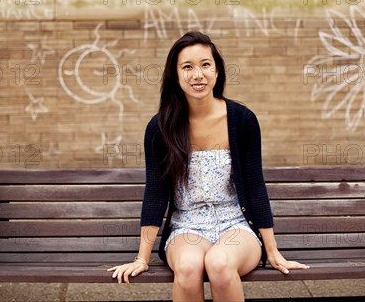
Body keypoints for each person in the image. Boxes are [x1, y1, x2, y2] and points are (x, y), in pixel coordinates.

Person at [108, 31, 309, 301]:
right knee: (189, 268)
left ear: (217, 71)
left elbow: (255, 185)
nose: (197, 74)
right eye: (187, 67)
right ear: (176, 75)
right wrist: (142, 259)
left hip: (236, 225)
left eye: (205, 65)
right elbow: (155, 193)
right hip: (186, 226)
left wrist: (273, 251)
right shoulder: (160, 128)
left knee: (220, 264)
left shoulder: (242, 120)